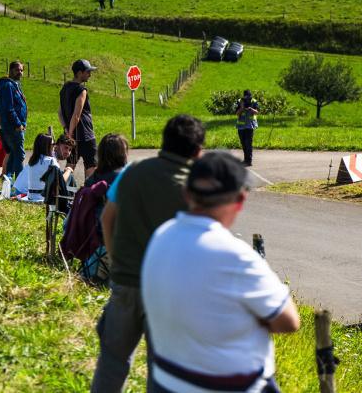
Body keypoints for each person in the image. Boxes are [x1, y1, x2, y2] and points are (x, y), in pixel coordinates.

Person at [142, 152, 299, 393]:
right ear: (241, 199)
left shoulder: (160, 235)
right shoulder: (236, 256)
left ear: (186, 193)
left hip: (166, 380)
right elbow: (289, 321)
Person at [90, 114, 205, 393]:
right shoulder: (196, 188)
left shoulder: (132, 172)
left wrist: (116, 261)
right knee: (161, 370)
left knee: (112, 362)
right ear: (197, 151)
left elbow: (107, 218)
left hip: (126, 282)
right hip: (168, 292)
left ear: (163, 142)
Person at [60, 59, 97, 179]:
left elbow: (60, 112)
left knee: (70, 165)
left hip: (71, 133)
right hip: (85, 135)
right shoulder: (81, 90)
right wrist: (70, 134)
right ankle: (89, 189)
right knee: (91, 165)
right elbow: (76, 115)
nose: (90, 75)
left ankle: (58, 186)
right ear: (80, 73)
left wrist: (67, 130)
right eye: (88, 72)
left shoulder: (65, 88)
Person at [12, 133, 61, 202]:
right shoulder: (51, 161)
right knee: (68, 175)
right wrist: (69, 170)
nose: (54, 146)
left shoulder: (32, 161)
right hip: (43, 198)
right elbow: (60, 182)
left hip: (31, 197)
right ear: (47, 146)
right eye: (53, 144)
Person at [234, 90, 259, 167]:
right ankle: (246, 159)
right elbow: (237, 113)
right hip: (241, 127)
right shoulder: (239, 101)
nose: (247, 100)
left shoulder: (254, 101)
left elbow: (257, 112)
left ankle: (249, 161)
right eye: (246, 98)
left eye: (249, 98)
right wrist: (242, 108)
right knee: (243, 144)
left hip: (250, 126)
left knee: (248, 144)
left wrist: (251, 109)